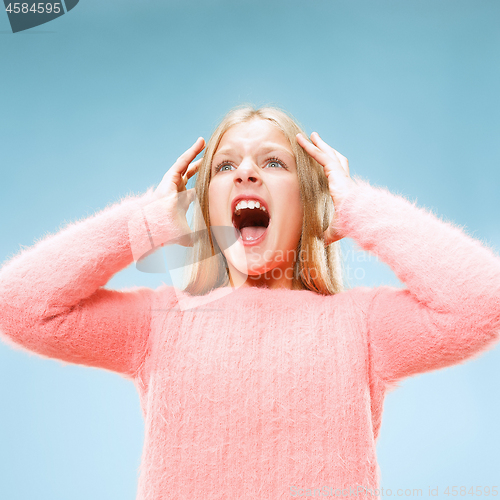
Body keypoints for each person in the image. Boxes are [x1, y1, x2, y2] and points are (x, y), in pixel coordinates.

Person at [0, 105, 499, 499]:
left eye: (273, 161)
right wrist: (146, 223)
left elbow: (482, 302)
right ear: (204, 207)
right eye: (225, 165)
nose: (245, 173)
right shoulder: (162, 322)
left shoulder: (361, 326)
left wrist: (361, 210)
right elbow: (20, 306)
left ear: (308, 200)